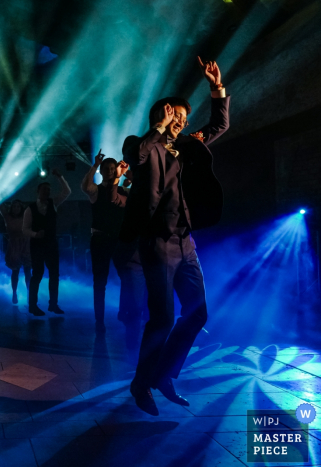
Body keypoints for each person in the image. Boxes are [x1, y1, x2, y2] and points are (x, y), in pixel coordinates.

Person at [123, 57, 230, 416]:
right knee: (163, 319)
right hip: (156, 243)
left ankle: (164, 375)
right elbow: (137, 156)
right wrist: (159, 127)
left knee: (197, 313)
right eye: (175, 114)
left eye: (184, 115)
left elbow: (219, 123)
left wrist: (216, 87)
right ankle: (142, 383)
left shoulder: (186, 145)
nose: (182, 119)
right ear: (162, 115)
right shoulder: (142, 144)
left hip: (186, 245)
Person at [81, 153, 130, 332]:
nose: (110, 171)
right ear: (101, 172)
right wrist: (94, 165)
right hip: (100, 239)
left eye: (112, 169)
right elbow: (85, 186)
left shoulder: (123, 191)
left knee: (128, 277)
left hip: (119, 240)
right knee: (100, 282)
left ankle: (124, 311)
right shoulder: (97, 190)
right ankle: (99, 321)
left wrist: (125, 176)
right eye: (106, 169)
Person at [22, 169, 71, 316]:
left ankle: (53, 304)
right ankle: (32, 305)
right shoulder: (30, 209)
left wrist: (60, 176)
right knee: (37, 274)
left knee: (54, 275)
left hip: (51, 244)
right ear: (38, 191)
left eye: (49, 190)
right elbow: (24, 229)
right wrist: (35, 234)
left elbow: (67, 192)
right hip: (37, 245)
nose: (47, 192)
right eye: (45, 189)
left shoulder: (53, 203)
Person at [0, 200, 31, 304]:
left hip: (26, 244)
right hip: (14, 246)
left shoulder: (26, 216)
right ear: (11, 208)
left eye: (18, 206)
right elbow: (1, 206)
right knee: (15, 271)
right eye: (14, 206)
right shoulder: (7, 217)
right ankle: (14, 293)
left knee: (27, 271)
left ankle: (30, 294)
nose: (16, 208)